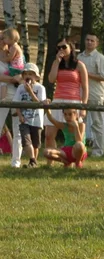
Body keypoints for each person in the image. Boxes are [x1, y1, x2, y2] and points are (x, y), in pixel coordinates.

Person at [46, 40, 88, 155]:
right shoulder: (57, 63)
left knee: (75, 134)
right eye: (58, 47)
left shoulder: (79, 64)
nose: (61, 50)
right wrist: (56, 61)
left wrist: (83, 106)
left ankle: (75, 159)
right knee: (49, 134)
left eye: (64, 47)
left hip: (73, 101)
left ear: (71, 47)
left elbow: (85, 87)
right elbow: (51, 79)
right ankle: (51, 160)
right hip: (58, 99)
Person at [80, 34, 104, 157]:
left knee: (97, 123)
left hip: (95, 94)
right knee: (80, 121)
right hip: (81, 94)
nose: (89, 42)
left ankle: (98, 150)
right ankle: (80, 148)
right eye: (87, 40)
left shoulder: (100, 58)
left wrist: (87, 74)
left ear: (97, 43)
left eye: (92, 40)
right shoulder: (79, 57)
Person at [12, 63, 45, 167]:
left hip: (36, 120)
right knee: (26, 141)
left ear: (36, 76)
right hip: (24, 119)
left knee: (35, 144)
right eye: (26, 74)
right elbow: (16, 102)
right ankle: (32, 160)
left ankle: (33, 163)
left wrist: (30, 92)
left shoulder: (40, 88)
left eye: (31, 74)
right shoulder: (20, 88)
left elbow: (40, 103)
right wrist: (20, 115)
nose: (28, 76)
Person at [1, 28, 26, 168]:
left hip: (15, 92)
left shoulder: (14, 51)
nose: (2, 40)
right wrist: (13, 79)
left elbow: (23, 71)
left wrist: (20, 79)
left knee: (17, 127)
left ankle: (16, 161)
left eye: (3, 37)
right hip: (3, 93)